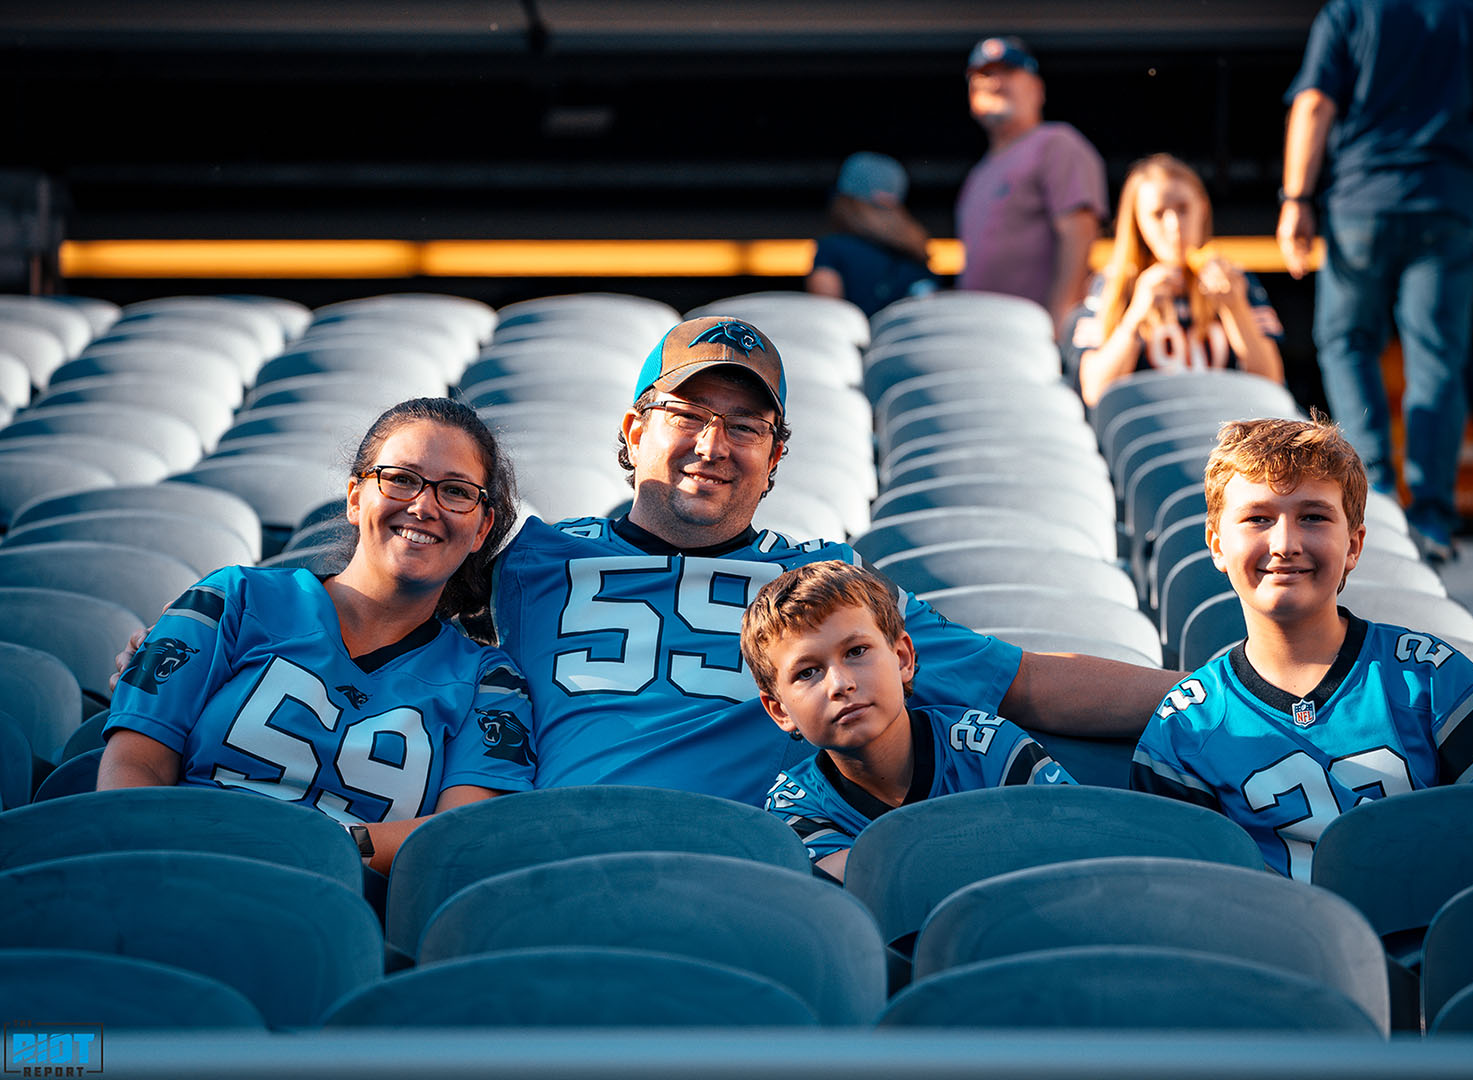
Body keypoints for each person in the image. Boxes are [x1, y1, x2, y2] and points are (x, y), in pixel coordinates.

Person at [489, 314, 1179, 806]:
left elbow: (1024, 683)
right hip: (553, 853)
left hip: (745, 876)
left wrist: (1240, 694)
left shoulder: (822, 586)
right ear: (635, 430)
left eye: (744, 427)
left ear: (775, 458)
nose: (712, 443)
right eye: (687, 415)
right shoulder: (528, 558)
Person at [99, 397, 537, 875]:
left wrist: (308, 849)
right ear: (355, 497)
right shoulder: (230, 599)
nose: (423, 505)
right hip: (172, 866)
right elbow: (135, 764)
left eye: (455, 491)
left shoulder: (490, 683)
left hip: (334, 913)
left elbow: (458, 831)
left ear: (481, 527)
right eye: (401, 479)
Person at [1129, 416, 1473, 881]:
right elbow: (1178, 904)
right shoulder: (1186, 725)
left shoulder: (1431, 679)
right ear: (1216, 545)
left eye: (1312, 517)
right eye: (1257, 518)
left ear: (1354, 545)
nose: (1285, 544)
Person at [1277, 0, 1473, 563]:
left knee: (1347, 343)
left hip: (1362, 203)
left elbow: (1314, 103)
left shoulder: (1349, 13)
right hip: (1448, 205)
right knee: (1437, 359)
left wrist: (1296, 198)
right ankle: (1433, 522)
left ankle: (1379, 507)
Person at [740, 561, 1074, 881]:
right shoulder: (794, 807)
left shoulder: (988, 750)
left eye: (856, 651)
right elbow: (873, 898)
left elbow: (1080, 847)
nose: (840, 684)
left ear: (903, 658)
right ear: (780, 711)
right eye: (807, 672)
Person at [1070, 154, 1286, 406]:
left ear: (1203, 209)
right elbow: (1095, 391)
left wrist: (1235, 308)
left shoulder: (1236, 279)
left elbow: (1271, 382)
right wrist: (1136, 315)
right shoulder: (1112, 283)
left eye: (1183, 209)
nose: (1174, 226)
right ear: (1137, 221)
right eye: (1158, 214)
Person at [955, 35, 1108, 330]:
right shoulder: (977, 175)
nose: (995, 82)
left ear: (1038, 89)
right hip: (982, 337)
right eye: (984, 76)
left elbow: (1078, 235)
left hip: (1033, 340)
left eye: (1009, 72)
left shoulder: (1056, 144)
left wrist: (1059, 324)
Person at [807, 152, 938, 318]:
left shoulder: (832, 249)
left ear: (845, 201)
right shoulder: (919, 252)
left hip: (856, 342)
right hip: (909, 342)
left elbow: (827, 317)